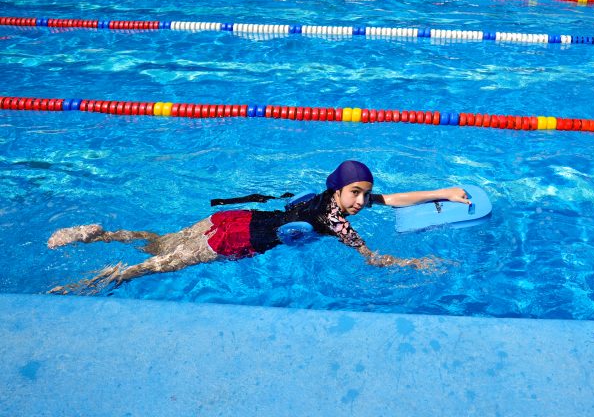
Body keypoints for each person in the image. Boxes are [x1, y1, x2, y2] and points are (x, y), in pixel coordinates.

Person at [47, 160, 471, 294]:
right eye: (356, 194)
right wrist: (414, 264)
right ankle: (92, 282)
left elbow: (392, 199)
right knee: (157, 267)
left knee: (159, 244)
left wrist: (444, 192)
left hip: (233, 218)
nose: (362, 202)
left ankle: (97, 233)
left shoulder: (326, 198)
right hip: (235, 238)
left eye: (365, 195)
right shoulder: (336, 222)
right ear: (340, 191)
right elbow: (372, 259)